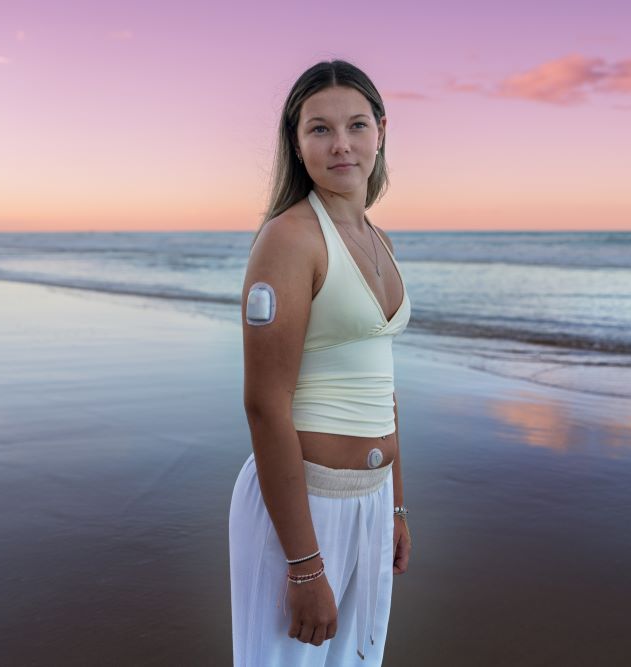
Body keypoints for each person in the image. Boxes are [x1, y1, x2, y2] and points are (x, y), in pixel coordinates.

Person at [229, 59, 413, 666]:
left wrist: (395, 504)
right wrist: (305, 567)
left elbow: (381, 384)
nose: (341, 145)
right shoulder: (290, 240)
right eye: (319, 129)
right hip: (307, 506)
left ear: (380, 131)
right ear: (296, 139)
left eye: (357, 125)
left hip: (371, 500)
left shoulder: (380, 239)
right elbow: (264, 405)